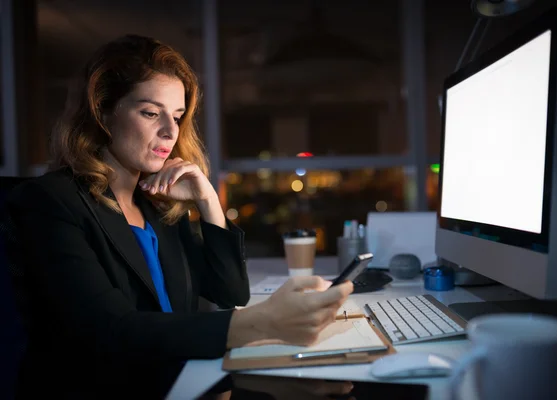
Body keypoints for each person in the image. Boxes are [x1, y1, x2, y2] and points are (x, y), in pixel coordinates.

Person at [6, 34, 353, 399]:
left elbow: (229, 291)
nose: (170, 132)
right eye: (151, 113)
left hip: (182, 378)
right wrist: (262, 322)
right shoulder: (51, 201)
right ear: (103, 111)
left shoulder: (155, 206)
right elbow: (111, 331)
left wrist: (207, 201)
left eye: (176, 115)